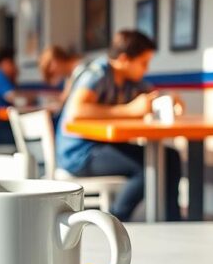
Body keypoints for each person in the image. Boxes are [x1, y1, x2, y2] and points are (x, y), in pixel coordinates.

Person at [56, 29, 183, 221]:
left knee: (170, 157)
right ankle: (115, 220)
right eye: (143, 63)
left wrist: (169, 97)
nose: (146, 69)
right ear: (124, 59)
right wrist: (130, 110)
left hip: (102, 146)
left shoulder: (129, 81)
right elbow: (76, 111)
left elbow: (152, 95)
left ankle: (172, 221)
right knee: (147, 165)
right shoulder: (97, 74)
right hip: (79, 152)